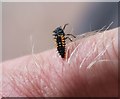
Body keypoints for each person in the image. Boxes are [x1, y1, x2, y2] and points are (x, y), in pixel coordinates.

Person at [1, 27, 118, 97]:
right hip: (62, 49)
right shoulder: (61, 37)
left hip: (61, 48)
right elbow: (67, 38)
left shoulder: (59, 37)